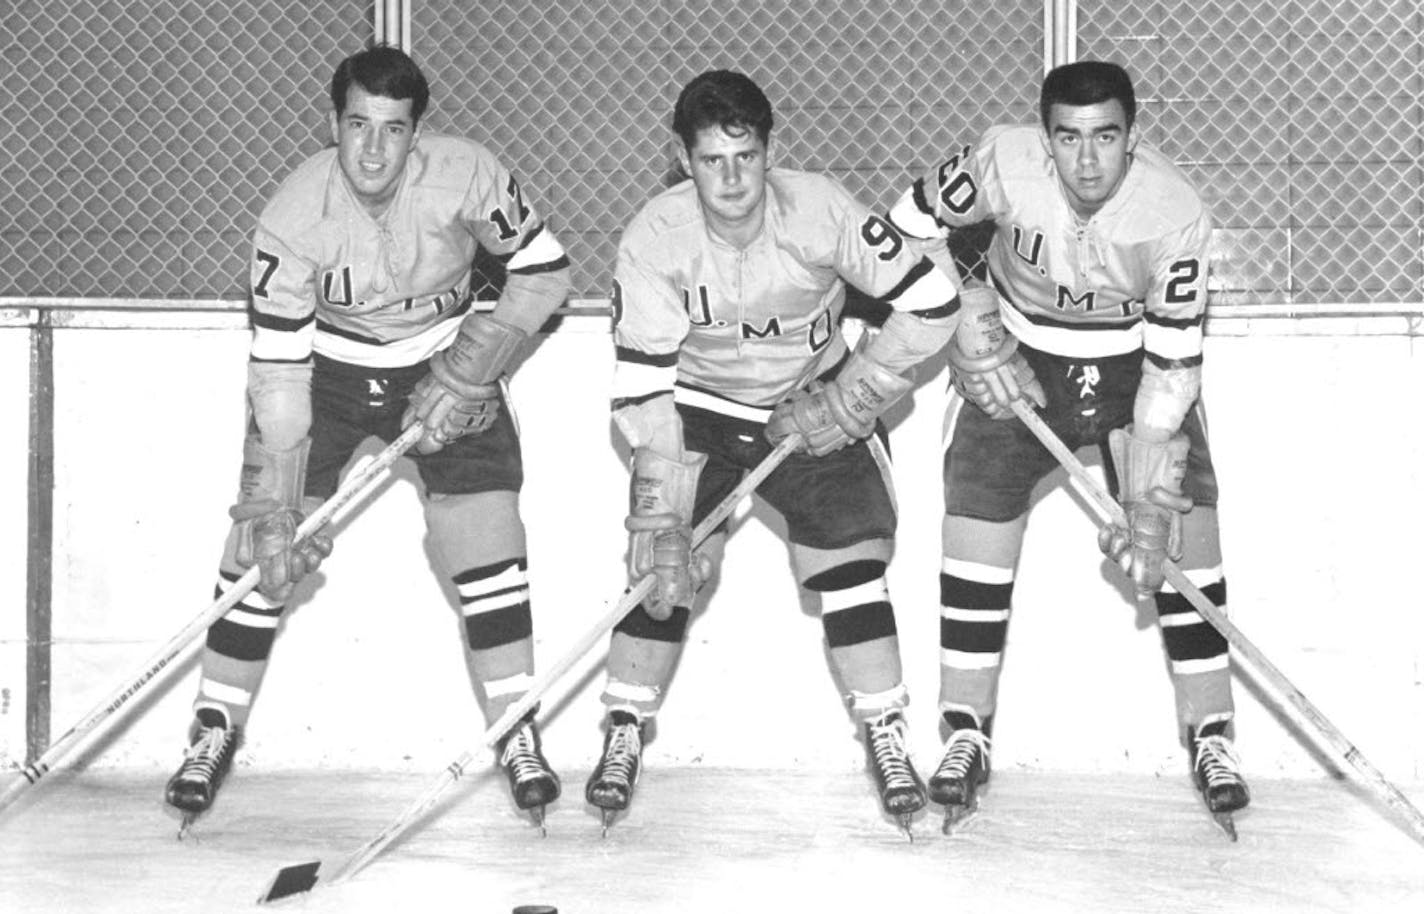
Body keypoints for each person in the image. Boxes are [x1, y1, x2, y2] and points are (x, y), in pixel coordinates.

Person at [163, 46, 572, 831]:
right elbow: (279, 373)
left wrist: (472, 369)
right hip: (327, 373)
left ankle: (515, 726)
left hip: (446, 361)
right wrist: (278, 498)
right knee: (259, 549)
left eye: (393, 130)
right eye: (358, 126)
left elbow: (545, 271)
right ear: (333, 125)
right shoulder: (292, 214)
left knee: (488, 549)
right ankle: (214, 728)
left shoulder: (469, 173)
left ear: (418, 135)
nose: (374, 150)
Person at [587, 69, 963, 837]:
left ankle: (886, 735)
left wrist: (853, 396)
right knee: (665, 573)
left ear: (769, 151)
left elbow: (933, 303)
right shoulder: (655, 238)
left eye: (746, 156)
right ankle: (624, 730)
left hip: (814, 400)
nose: (731, 179)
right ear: (681, 159)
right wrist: (666, 510)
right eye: (711, 160)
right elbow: (642, 392)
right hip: (695, 410)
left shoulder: (820, 209)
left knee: (851, 564)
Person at [887, 60, 1250, 832]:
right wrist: (967, 320)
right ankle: (965, 733)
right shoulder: (999, 159)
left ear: (1134, 136)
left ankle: (1212, 735)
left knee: (1186, 530)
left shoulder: (1175, 210)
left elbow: (1175, 359)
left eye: (1107, 137)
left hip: (1132, 366)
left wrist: (1148, 482)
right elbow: (904, 229)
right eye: (1069, 139)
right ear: (1045, 140)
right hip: (1017, 356)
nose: (1088, 162)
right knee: (975, 531)